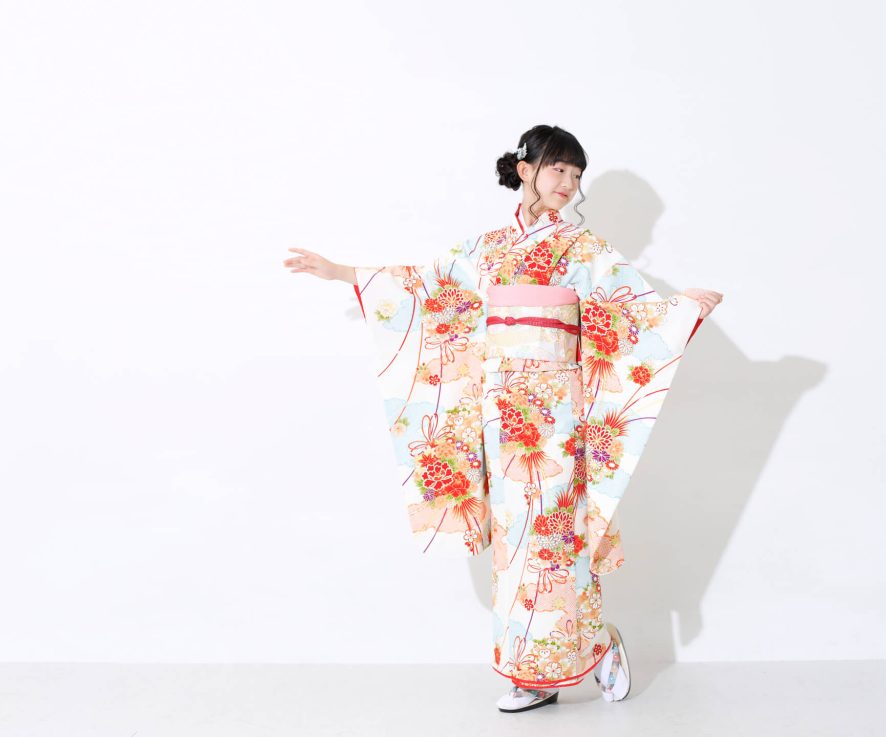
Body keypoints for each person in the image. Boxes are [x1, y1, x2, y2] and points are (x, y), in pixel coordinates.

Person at [283, 124, 722, 713]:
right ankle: (540, 668)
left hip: (559, 409)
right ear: (525, 169)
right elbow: (427, 289)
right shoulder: (486, 249)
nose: (568, 183)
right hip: (499, 409)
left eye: (576, 174)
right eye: (558, 169)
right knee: (516, 538)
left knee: (558, 530)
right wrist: (342, 272)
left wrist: (683, 307)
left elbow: (631, 310)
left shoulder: (583, 248)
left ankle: (587, 648)